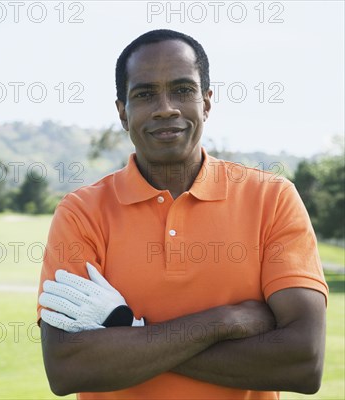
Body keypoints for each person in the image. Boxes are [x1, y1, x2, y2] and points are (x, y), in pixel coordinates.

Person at [37, 29, 328, 399]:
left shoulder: (272, 198)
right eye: (145, 94)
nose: (165, 107)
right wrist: (225, 321)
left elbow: (303, 362)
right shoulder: (80, 212)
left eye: (182, 90)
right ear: (123, 113)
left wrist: (127, 331)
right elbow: (67, 368)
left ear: (206, 103)